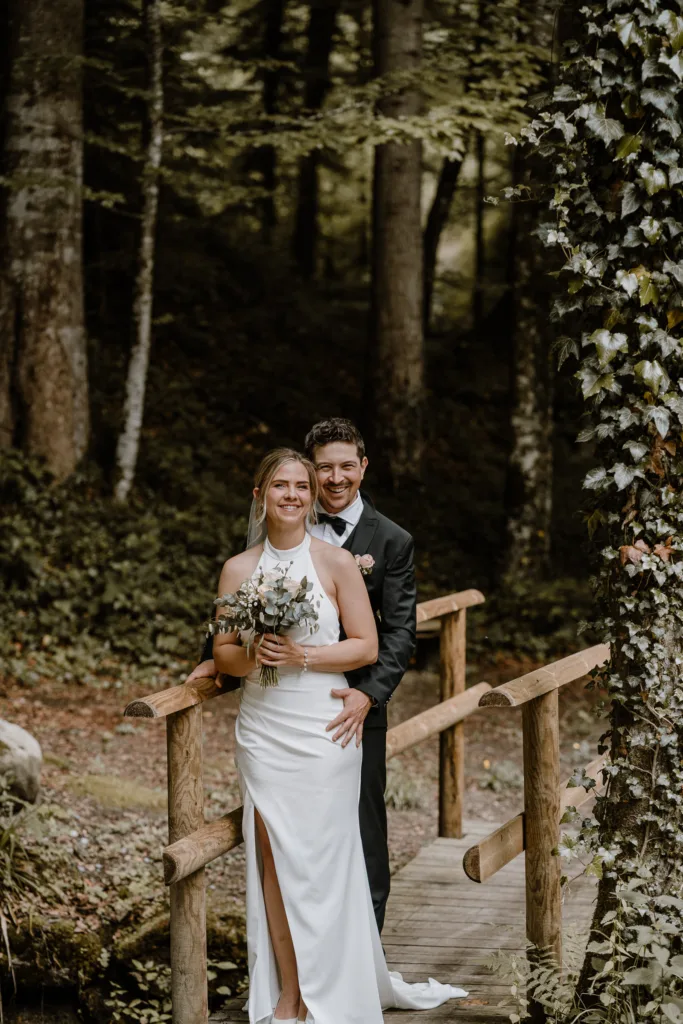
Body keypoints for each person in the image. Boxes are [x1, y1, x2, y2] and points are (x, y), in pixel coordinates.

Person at [213, 447, 466, 1024]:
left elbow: (367, 646)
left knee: (323, 863)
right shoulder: (236, 569)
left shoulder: (336, 563)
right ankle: (290, 994)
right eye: (281, 485)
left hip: (325, 728)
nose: (294, 494)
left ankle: (328, 986)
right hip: (264, 730)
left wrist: (301, 655)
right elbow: (226, 655)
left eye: (302, 485)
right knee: (273, 861)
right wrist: (251, 654)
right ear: (260, 495)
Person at [188, 418, 416, 933]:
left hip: (348, 707)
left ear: (363, 468)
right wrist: (212, 656)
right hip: (273, 716)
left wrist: (370, 696)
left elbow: (399, 634)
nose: (335, 479)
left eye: (346, 467)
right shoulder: (284, 518)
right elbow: (245, 600)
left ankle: (363, 954)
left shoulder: (391, 540)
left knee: (359, 832)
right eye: (324, 469)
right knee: (283, 844)